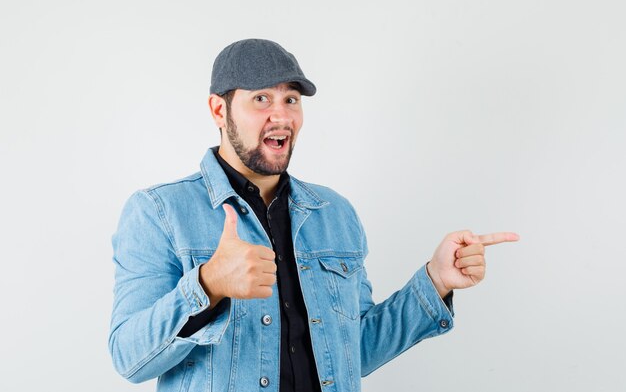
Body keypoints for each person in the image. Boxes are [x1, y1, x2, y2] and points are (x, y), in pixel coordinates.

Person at [109, 38, 520, 392]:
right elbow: (129, 358)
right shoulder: (159, 212)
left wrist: (435, 281)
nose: (282, 115)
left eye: (291, 99)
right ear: (219, 110)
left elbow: (353, 350)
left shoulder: (333, 213)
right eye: (261, 99)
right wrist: (208, 284)